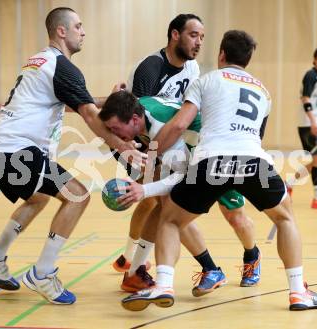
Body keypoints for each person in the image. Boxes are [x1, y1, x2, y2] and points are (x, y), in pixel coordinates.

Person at [121, 30, 317, 312]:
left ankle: (163, 284)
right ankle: (297, 292)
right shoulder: (262, 90)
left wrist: (154, 152)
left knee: (170, 219)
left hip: (210, 161)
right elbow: (257, 136)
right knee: (285, 218)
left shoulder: (205, 80)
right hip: (252, 160)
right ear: (248, 59)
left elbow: (180, 124)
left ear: (221, 54)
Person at [0, 7, 145, 305]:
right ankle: (42, 273)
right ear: (61, 31)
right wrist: (123, 146)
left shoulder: (40, 62)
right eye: (78, 26)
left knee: (38, 198)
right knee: (77, 196)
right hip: (16, 149)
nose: (83, 31)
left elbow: (75, 103)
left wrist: (109, 99)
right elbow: (90, 115)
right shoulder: (62, 66)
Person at [112, 14, 261, 293]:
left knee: (233, 214)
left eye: (203, 37)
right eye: (194, 35)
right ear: (174, 35)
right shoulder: (151, 67)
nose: (199, 42)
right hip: (164, 143)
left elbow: (184, 115)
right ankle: (136, 263)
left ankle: (252, 255)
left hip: (202, 145)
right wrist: (137, 152)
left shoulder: (193, 69)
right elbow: (140, 113)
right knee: (164, 204)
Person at [100, 92, 259, 295]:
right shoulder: (137, 109)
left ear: (134, 120)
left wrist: (144, 189)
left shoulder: (161, 130)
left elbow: (179, 176)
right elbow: (99, 118)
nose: (113, 134)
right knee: (170, 208)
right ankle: (138, 273)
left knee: (236, 217)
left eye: (116, 130)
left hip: (221, 154)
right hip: (192, 154)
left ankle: (252, 255)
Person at [286, 47, 317, 209]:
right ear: (315, 59)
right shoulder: (311, 75)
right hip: (309, 124)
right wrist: (313, 122)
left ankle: (288, 184)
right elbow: (305, 98)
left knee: (316, 161)